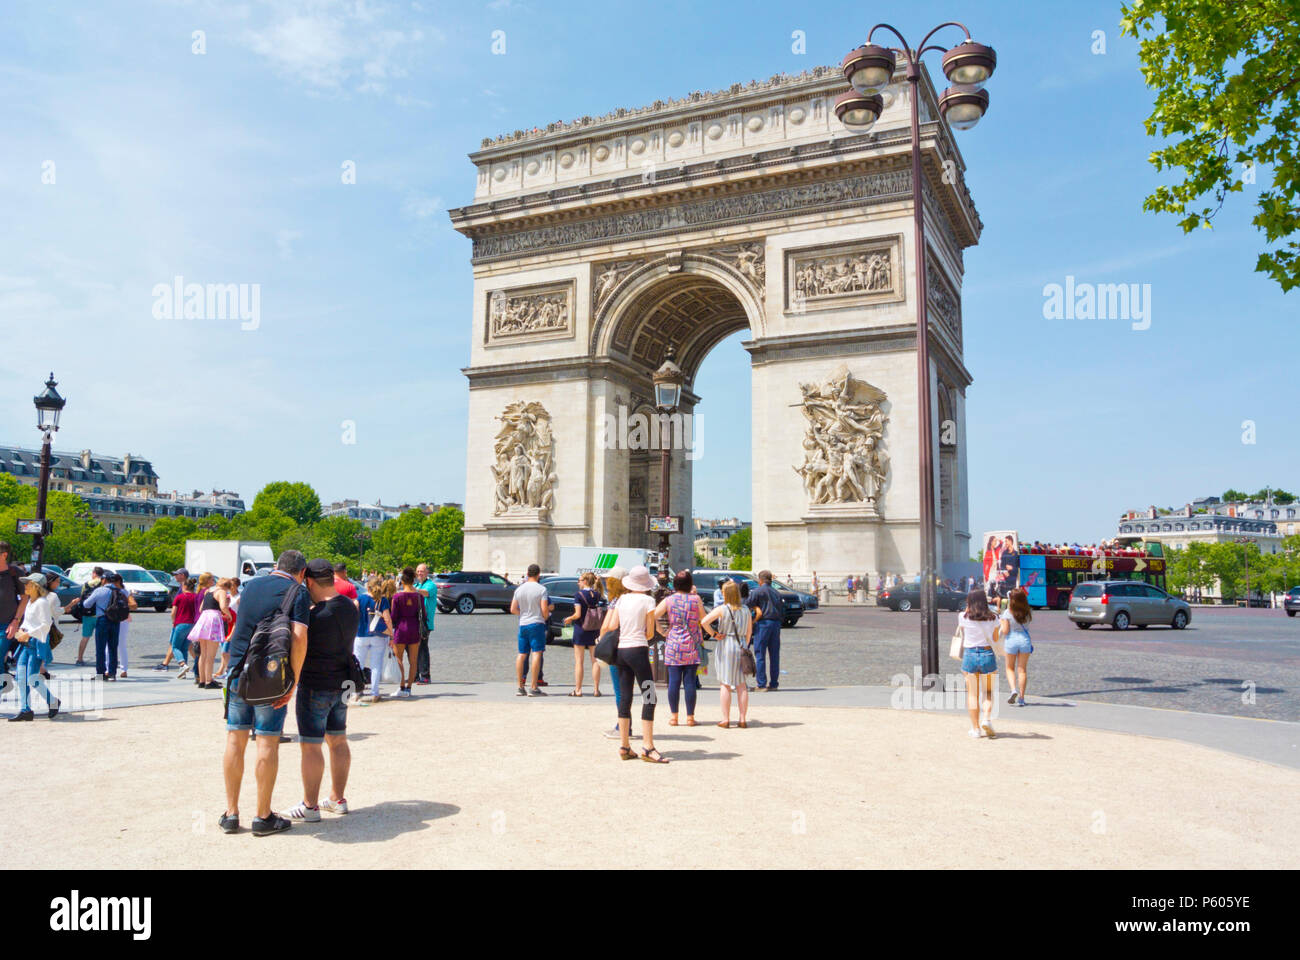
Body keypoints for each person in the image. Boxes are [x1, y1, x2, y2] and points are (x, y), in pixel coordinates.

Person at [220, 550, 311, 837]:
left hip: (237, 670)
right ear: (302, 572)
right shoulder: (298, 591)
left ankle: (231, 813)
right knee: (267, 743)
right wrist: (292, 680)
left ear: (275, 567)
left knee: (235, 739)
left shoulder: (250, 586)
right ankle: (263, 816)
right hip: (271, 678)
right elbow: (298, 637)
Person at [284, 559, 359, 822]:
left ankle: (310, 806)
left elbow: (299, 643)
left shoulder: (315, 616)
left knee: (311, 746)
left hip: (315, 684)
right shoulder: (350, 607)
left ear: (310, 581)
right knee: (338, 740)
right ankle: (337, 798)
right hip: (343, 682)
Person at [606, 566, 666, 762]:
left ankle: (624, 746)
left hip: (621, 652)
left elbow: (613, 625)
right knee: (649, 696)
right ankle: (648, 747)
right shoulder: (648, 600)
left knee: (625, 697)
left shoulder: (622, 599)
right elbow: (649, 632)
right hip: (638, 652)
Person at [655, 569, 705, 726]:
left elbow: (653, 616)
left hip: (673, 643)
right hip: (691, 643)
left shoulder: (669, 600)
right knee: (690, 682)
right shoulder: (696, 599)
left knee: (674, 683)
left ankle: (674, 717)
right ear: (690, 584)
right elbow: (704, 619)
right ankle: (690, 717)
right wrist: (714, 633)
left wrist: (661, 630)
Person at [7, 573, 60, 721]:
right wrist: (22, 630)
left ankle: (52, 702)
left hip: (36, 643)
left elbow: (46, 624)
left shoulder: (41, 602)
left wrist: (28, 634)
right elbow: (30, 622)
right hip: (27, 643)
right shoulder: (31, 601)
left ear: (36, 586)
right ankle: (26, 709)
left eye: (28, 583)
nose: (25, 586)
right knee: (21, 677)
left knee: (31, 678)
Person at [702, 579, 752, 728]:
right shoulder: (746, 610)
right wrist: (745, 646)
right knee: (741, 684)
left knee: (725, 683)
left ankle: (726, 718)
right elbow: (749, 632)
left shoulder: (722, 609)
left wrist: (714, 634)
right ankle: (742, 718)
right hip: (741, 644)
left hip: (726, 644)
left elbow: (704, 621)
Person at [957, 588, 1000, 739]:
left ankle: (975, 729)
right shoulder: (994, 617)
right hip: (987, 653)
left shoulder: (963, 616)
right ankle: (987, 719)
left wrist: (968, 608)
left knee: (972, 694)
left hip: (970, 654)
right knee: (988, 692)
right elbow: (995, 638)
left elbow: (963, 631)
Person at [511, 564, 550, 697]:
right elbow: (545, 609)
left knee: (521, 654)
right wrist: (545, 617)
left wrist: (522, 614)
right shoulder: (542, 589)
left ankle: (520, 686)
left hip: (523, 623)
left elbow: (513, 609)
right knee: (536, 653)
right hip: (536, 623)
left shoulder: (519, 589)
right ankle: (533, 686)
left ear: (527, 573)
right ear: (538, 574)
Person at [564, 571, 603, 696]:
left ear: (585, 581)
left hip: (581, 628)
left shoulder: (578, 595)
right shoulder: (597, 594)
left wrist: (569, 618)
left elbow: (578, 614)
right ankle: (596, 689)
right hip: (594, 629)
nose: (578, 582)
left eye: (580, 580)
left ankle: (578, 689)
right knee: (595, 660)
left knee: (579, 661)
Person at [80, 572, 125, 681]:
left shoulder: (99, 590)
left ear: (104, 580)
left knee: (100, 647)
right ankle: (112, 673)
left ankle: (100, 673)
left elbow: (86, 604)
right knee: (113, 648)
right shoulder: (119, 591)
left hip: (102, 620)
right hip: (115, 621)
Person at [354, 577, 392, 702]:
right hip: (378, 635)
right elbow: (387, 619)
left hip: (361, 634)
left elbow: (353, 613)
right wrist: (391, 635)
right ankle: (375, 692)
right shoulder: (383, 600)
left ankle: (358, 691)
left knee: (358, 664)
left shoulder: (360, 599)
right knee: (376, 664)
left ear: (367, 587)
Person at [746, 570, 784, 691]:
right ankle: (774, 684)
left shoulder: (757, 591)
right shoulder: (777, 592)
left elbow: (747, 604)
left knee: (760, 654)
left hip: (763, 623)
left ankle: (761, 683)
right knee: (774, 655)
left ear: (760, 580)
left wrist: (756, 608)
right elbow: (782, 610)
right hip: (776, 624)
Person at [189, 573, 229, 690]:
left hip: (204, 619)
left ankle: (202, 680)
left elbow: (201, 609)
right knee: (211, 655)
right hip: (213, 619)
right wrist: (228, 614)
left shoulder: (208, 592)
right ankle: (208, 681)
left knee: (203, 653)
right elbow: (222, 606)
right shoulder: (221, 592)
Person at [388, 568, 423, 698]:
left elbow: (394, 616)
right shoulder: (419, 596)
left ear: (402, 581)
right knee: (413, 661)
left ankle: (401, 686)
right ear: (413, 581)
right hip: (414, 628)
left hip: (401, 629)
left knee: (399, 659)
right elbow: (423, 614)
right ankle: (409, 688)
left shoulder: (397, 597)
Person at [999, 587, 1034, 707]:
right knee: (1022, 670)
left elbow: (1005, 630)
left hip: (1011, 640)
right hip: (1024, 640)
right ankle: (1022, 698)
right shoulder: (1028, 611)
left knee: (1009, 668)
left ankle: (1013, 689)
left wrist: (1001, 621)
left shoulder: (1008, 613)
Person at [0, 541, 29, 674]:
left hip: (6, 625)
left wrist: (15, 621)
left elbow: (25, 598)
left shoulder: (14, 572)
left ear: (4, 555)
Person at [163, 577, 199, 674]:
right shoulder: (196, 597)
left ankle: (182, 664)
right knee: (184, 647)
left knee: (175, 647)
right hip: (192, 625)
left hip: (180, 623)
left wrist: (174, 622)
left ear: (185, 586)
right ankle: (183, 671)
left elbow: (173, 612)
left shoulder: (179, 597)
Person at [71, 565, 103, 666]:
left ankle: (79, 659)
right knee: (101, 638)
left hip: (87, 615)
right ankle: (101, 659)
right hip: (99, 614)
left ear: (94, 573)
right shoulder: (103, 583)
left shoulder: (86, 584)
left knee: (85, 637)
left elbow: (82, 597)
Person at [413, 562, 437, 685]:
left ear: (427, 572)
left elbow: (425, 593)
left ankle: (425, 675)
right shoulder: (416, 584)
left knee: (422, 647)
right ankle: (415, 675)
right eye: (418, 571)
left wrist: (411, 589)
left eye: (421, 571)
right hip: (415, 620)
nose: (419, 573)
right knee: (413, 648)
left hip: (425, 622)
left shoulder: (430, 585)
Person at [112, 573, 138, 677]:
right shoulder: (125, 592)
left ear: (117, 582)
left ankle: (118, 669)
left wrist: (119, 606)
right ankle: (123, 669)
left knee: (112, 644)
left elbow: (134, 605)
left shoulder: (123, 591)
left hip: (117, 618)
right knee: (121, 644)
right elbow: (134, 605)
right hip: (123, 618)